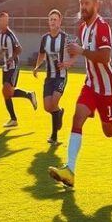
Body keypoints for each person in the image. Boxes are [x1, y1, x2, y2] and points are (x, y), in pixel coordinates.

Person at [48, 0, 112, 190]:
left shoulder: (102, 27)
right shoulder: (83, 28)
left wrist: (81, 51)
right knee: (77, 118)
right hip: (91, 84)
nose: (83, 7)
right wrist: (72, 58)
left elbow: (105, 56)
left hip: (107, 88)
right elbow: (84, 53)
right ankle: (70, 171)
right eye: (81, 3)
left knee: (109, 130)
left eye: (87, 3)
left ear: (96, 5)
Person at [0, 11, 37, 128]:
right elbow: (2, 49)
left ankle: (14, 119)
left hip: (13, 66)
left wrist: (12, 58)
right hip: (5, 66)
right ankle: (28, 96)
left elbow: (19, 49)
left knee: (6, 90)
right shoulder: (0, 35)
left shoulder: (10, 35)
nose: (4, 23)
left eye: (6, 21)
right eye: (2, 21)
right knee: (6, 93)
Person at [33, 9, 68, 145]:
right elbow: (41, 54)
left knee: (53, 102)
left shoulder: (65, 38)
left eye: (55, 19)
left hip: (61, 76)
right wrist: (37, 67)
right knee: (47, 107)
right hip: (49, 77)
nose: (52, 22)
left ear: (60, 22)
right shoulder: (44, 39)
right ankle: (59, 112)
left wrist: (66, 63)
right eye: (50, 19)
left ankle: (54, 137)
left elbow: (74, 53)